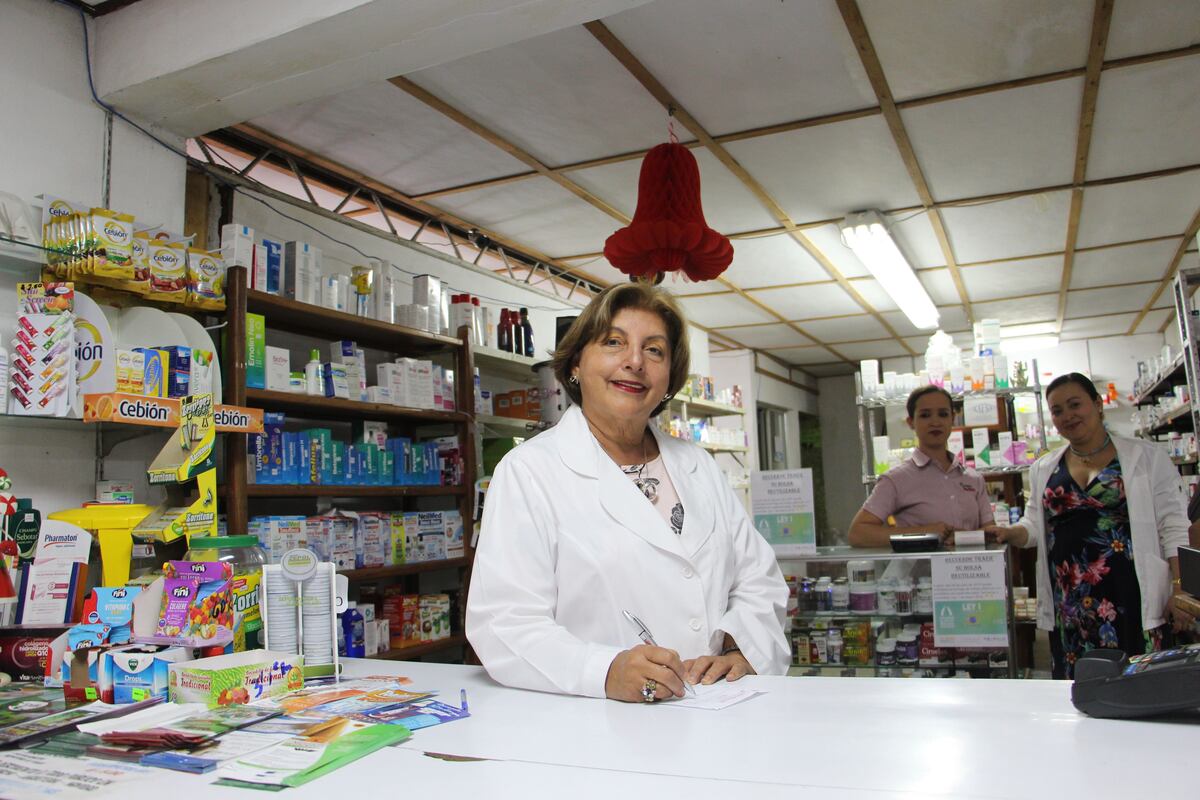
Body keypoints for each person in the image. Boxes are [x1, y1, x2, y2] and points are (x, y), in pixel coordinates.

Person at [466, 282, 789, 702]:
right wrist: (602, 671)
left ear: (669, 377)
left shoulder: (700, 467)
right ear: (576, 364)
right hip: (597, 725)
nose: (635, 361)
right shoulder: (530, 471)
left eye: (654, 350)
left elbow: (758, 581)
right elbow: (503, 623)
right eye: (614, 342)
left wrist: (742, 645)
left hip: (717, 707)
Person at [992, 373, 1189, 678]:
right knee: (1082, 688)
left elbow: (1173, 526)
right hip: (1070, 603)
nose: (1067, 416)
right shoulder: (1044, 467)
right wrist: (1009, 532)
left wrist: (1179, 588)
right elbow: (1034, 526)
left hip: (1132, 595)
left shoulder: (1146, 457)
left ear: (1097, 405)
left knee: (1139, 683)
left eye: (1075, 404)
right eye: (1057, 411)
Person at [848, 385, 998, 547]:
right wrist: (925, 533)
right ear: (911, 422)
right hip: (921, 572)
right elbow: (858, 534)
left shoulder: (973, 478)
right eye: (925, 415)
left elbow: (990, 532)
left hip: (970, 570)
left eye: (943, 414)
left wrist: (964, 537)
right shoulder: (896, 479)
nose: (935, 422)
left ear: (952, 419)